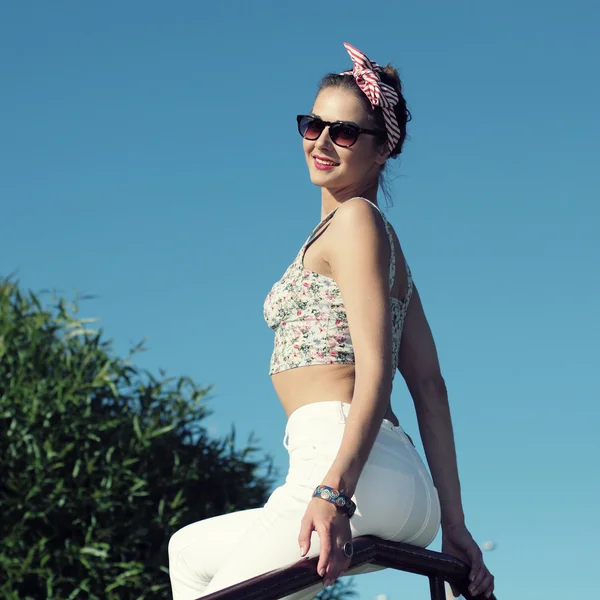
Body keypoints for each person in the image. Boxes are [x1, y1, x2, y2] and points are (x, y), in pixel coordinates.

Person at [168, 42, 495, 600]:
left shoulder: (356, 222)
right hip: (386, 477)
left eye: (343, 132)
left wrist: (336, 492)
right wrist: (453, 526)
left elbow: (378, 371)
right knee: (190, 552)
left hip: (351, 467)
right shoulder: (378, 245)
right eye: (311, 124)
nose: (321, 141)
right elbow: (432, 388)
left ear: (384, 148)